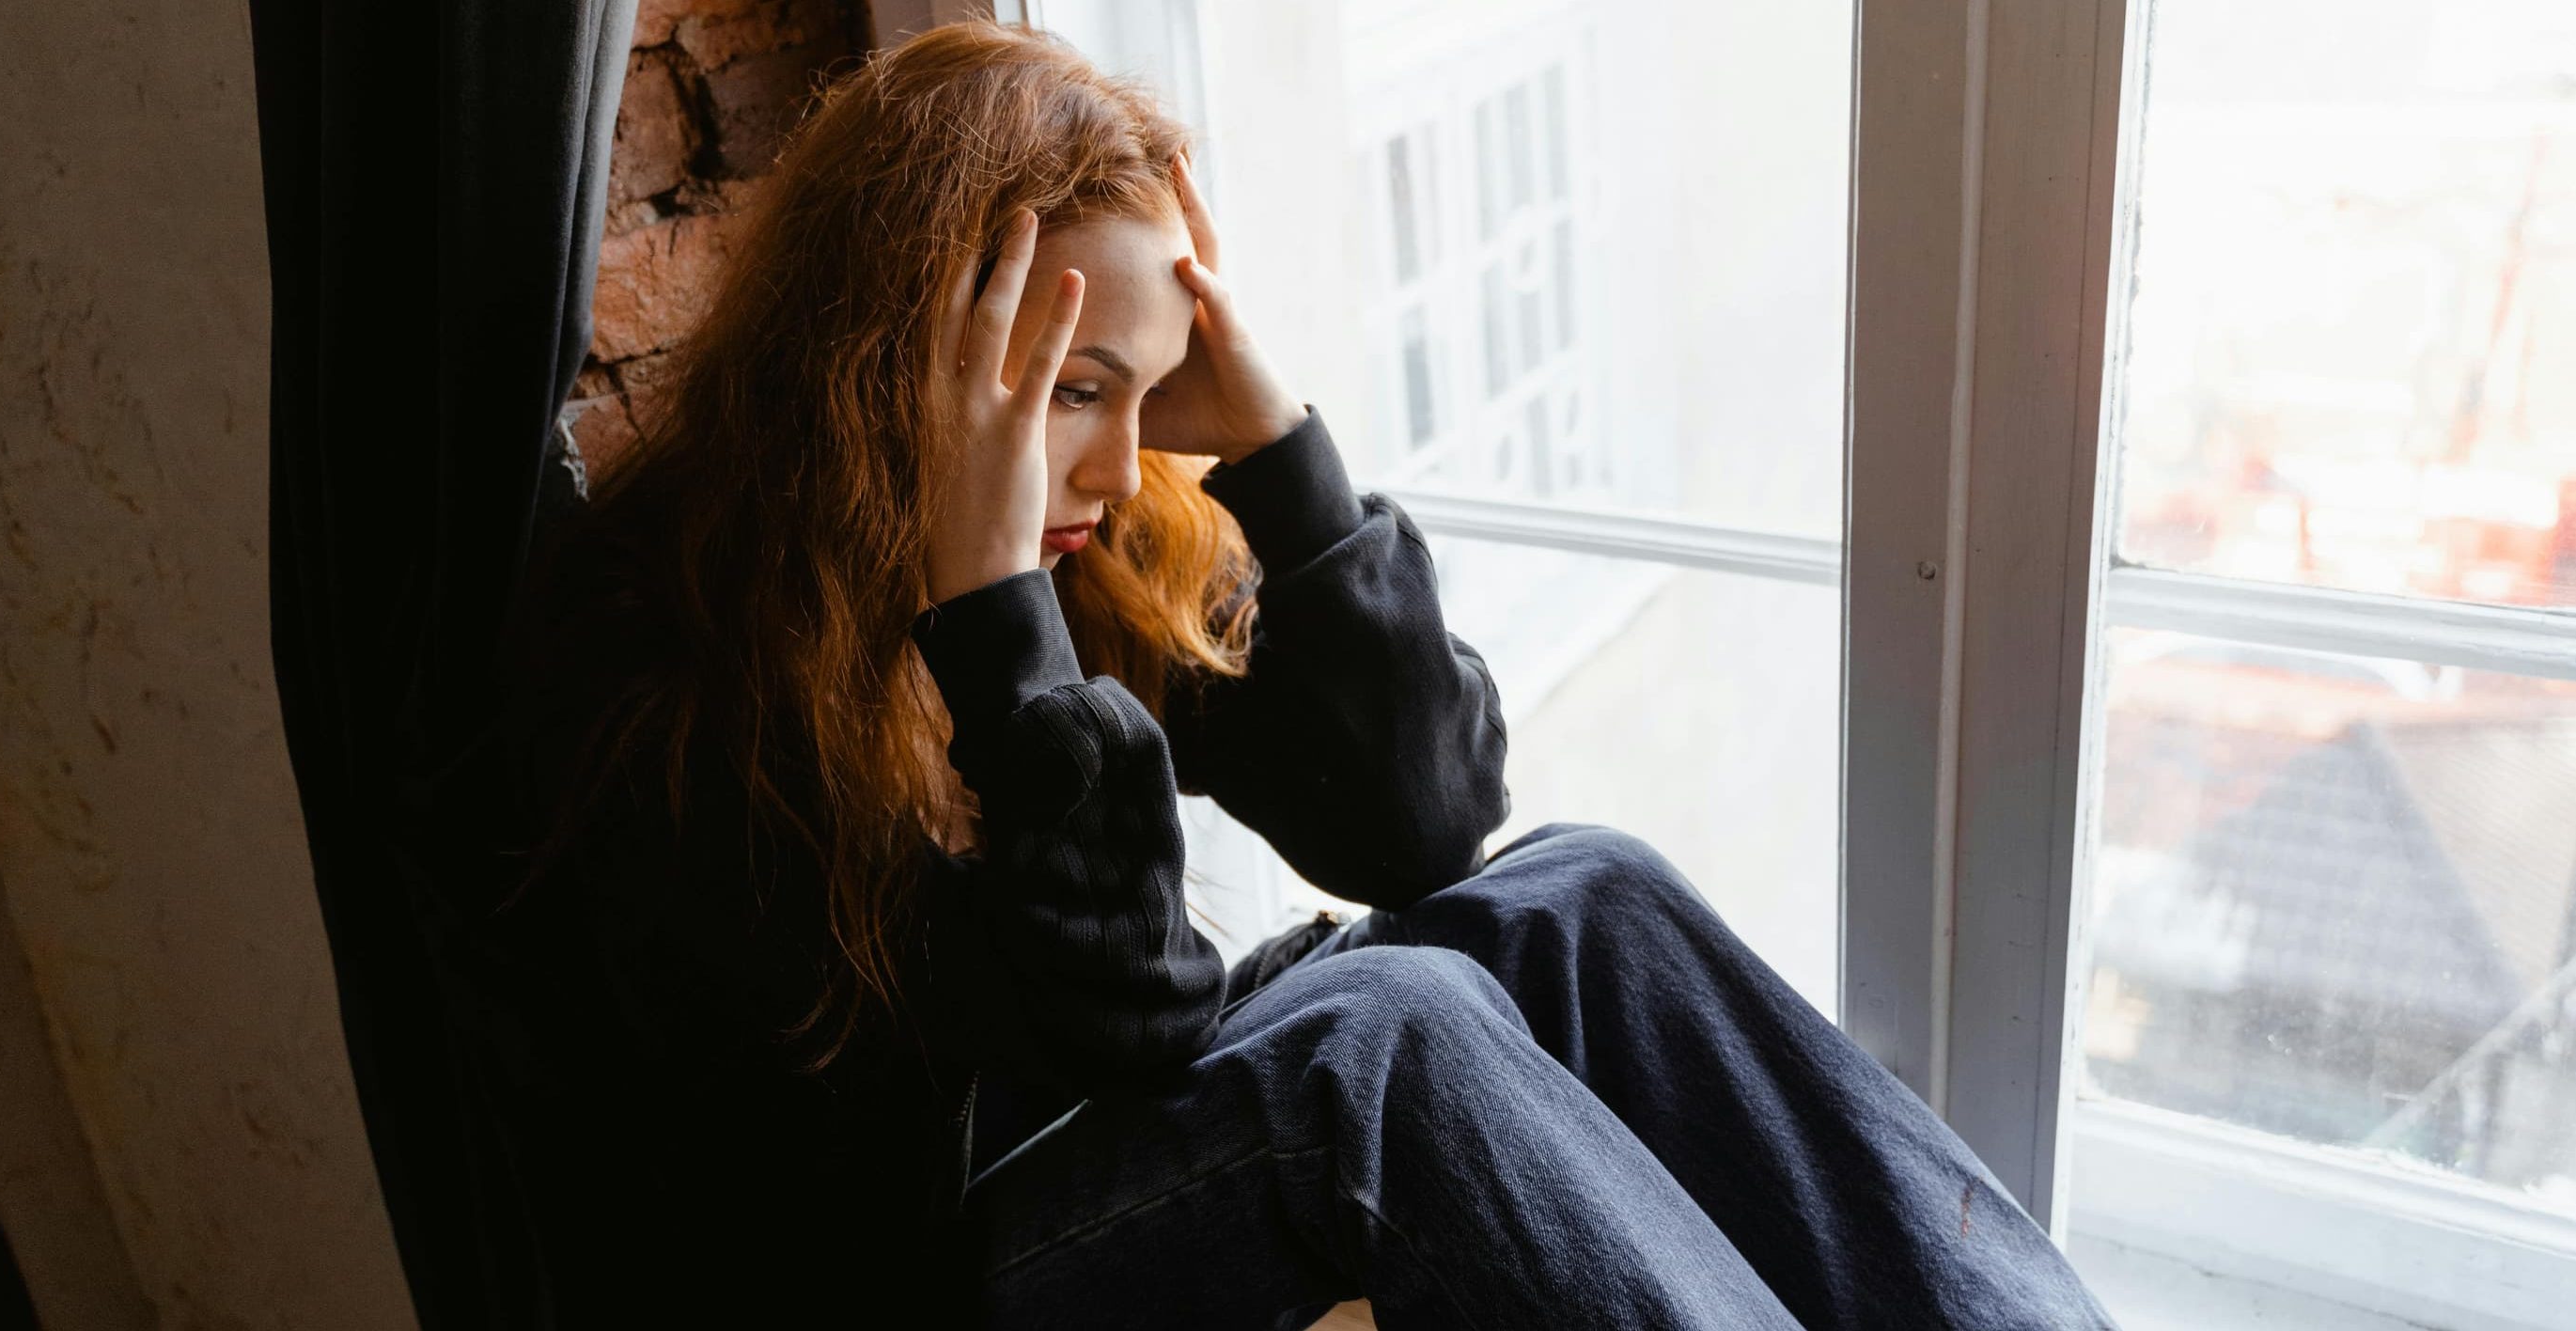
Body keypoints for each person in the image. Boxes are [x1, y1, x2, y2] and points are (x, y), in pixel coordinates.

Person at [477, 18, 2117, 1329]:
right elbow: (1121, 1023)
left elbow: (1416, 821)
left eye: (1151, 385)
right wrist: (991, 624)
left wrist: (1278, 453)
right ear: (891, 357)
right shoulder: (667, 668)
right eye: (1069, 390)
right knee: (1380, 1043)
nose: (1120, 468)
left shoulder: (1083, 547)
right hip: (884, 1281)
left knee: (1576, 898)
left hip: (1054, 1146)